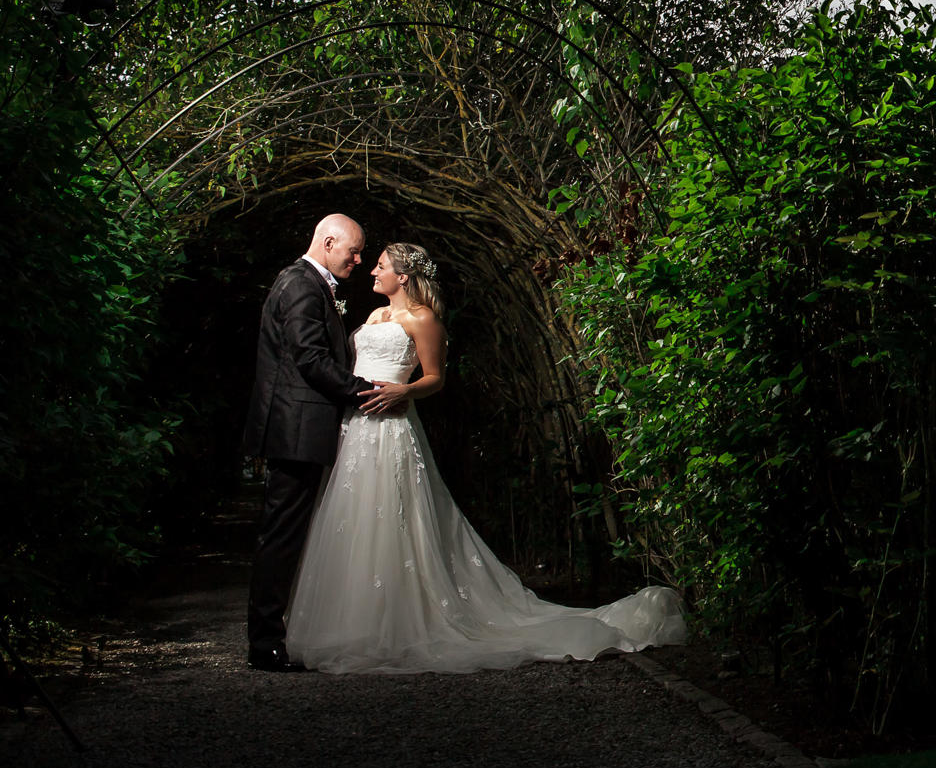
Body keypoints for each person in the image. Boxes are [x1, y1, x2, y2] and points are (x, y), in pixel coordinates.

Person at [283, 241, 684, 673]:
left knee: (396, 516)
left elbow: (435, 378)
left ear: (403, 276)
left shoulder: (424, 318)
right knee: (355, 516)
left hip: (395, 428)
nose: (371, 272)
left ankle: (403, 620)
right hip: (358, 427)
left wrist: (405, 390)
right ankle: (353, 621)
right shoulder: (374, 316)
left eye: (379, 266)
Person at [243, 213, 382, 672]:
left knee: (285, 535)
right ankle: (265, 646)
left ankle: (270, 640)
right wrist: (363, 390)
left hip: (296, 427)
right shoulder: (302, 285)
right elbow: (309, 357)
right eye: (353, 251)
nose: (359, 261)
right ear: (327, 243)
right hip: (294, 429)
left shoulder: (304, 282)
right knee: (281, 538)